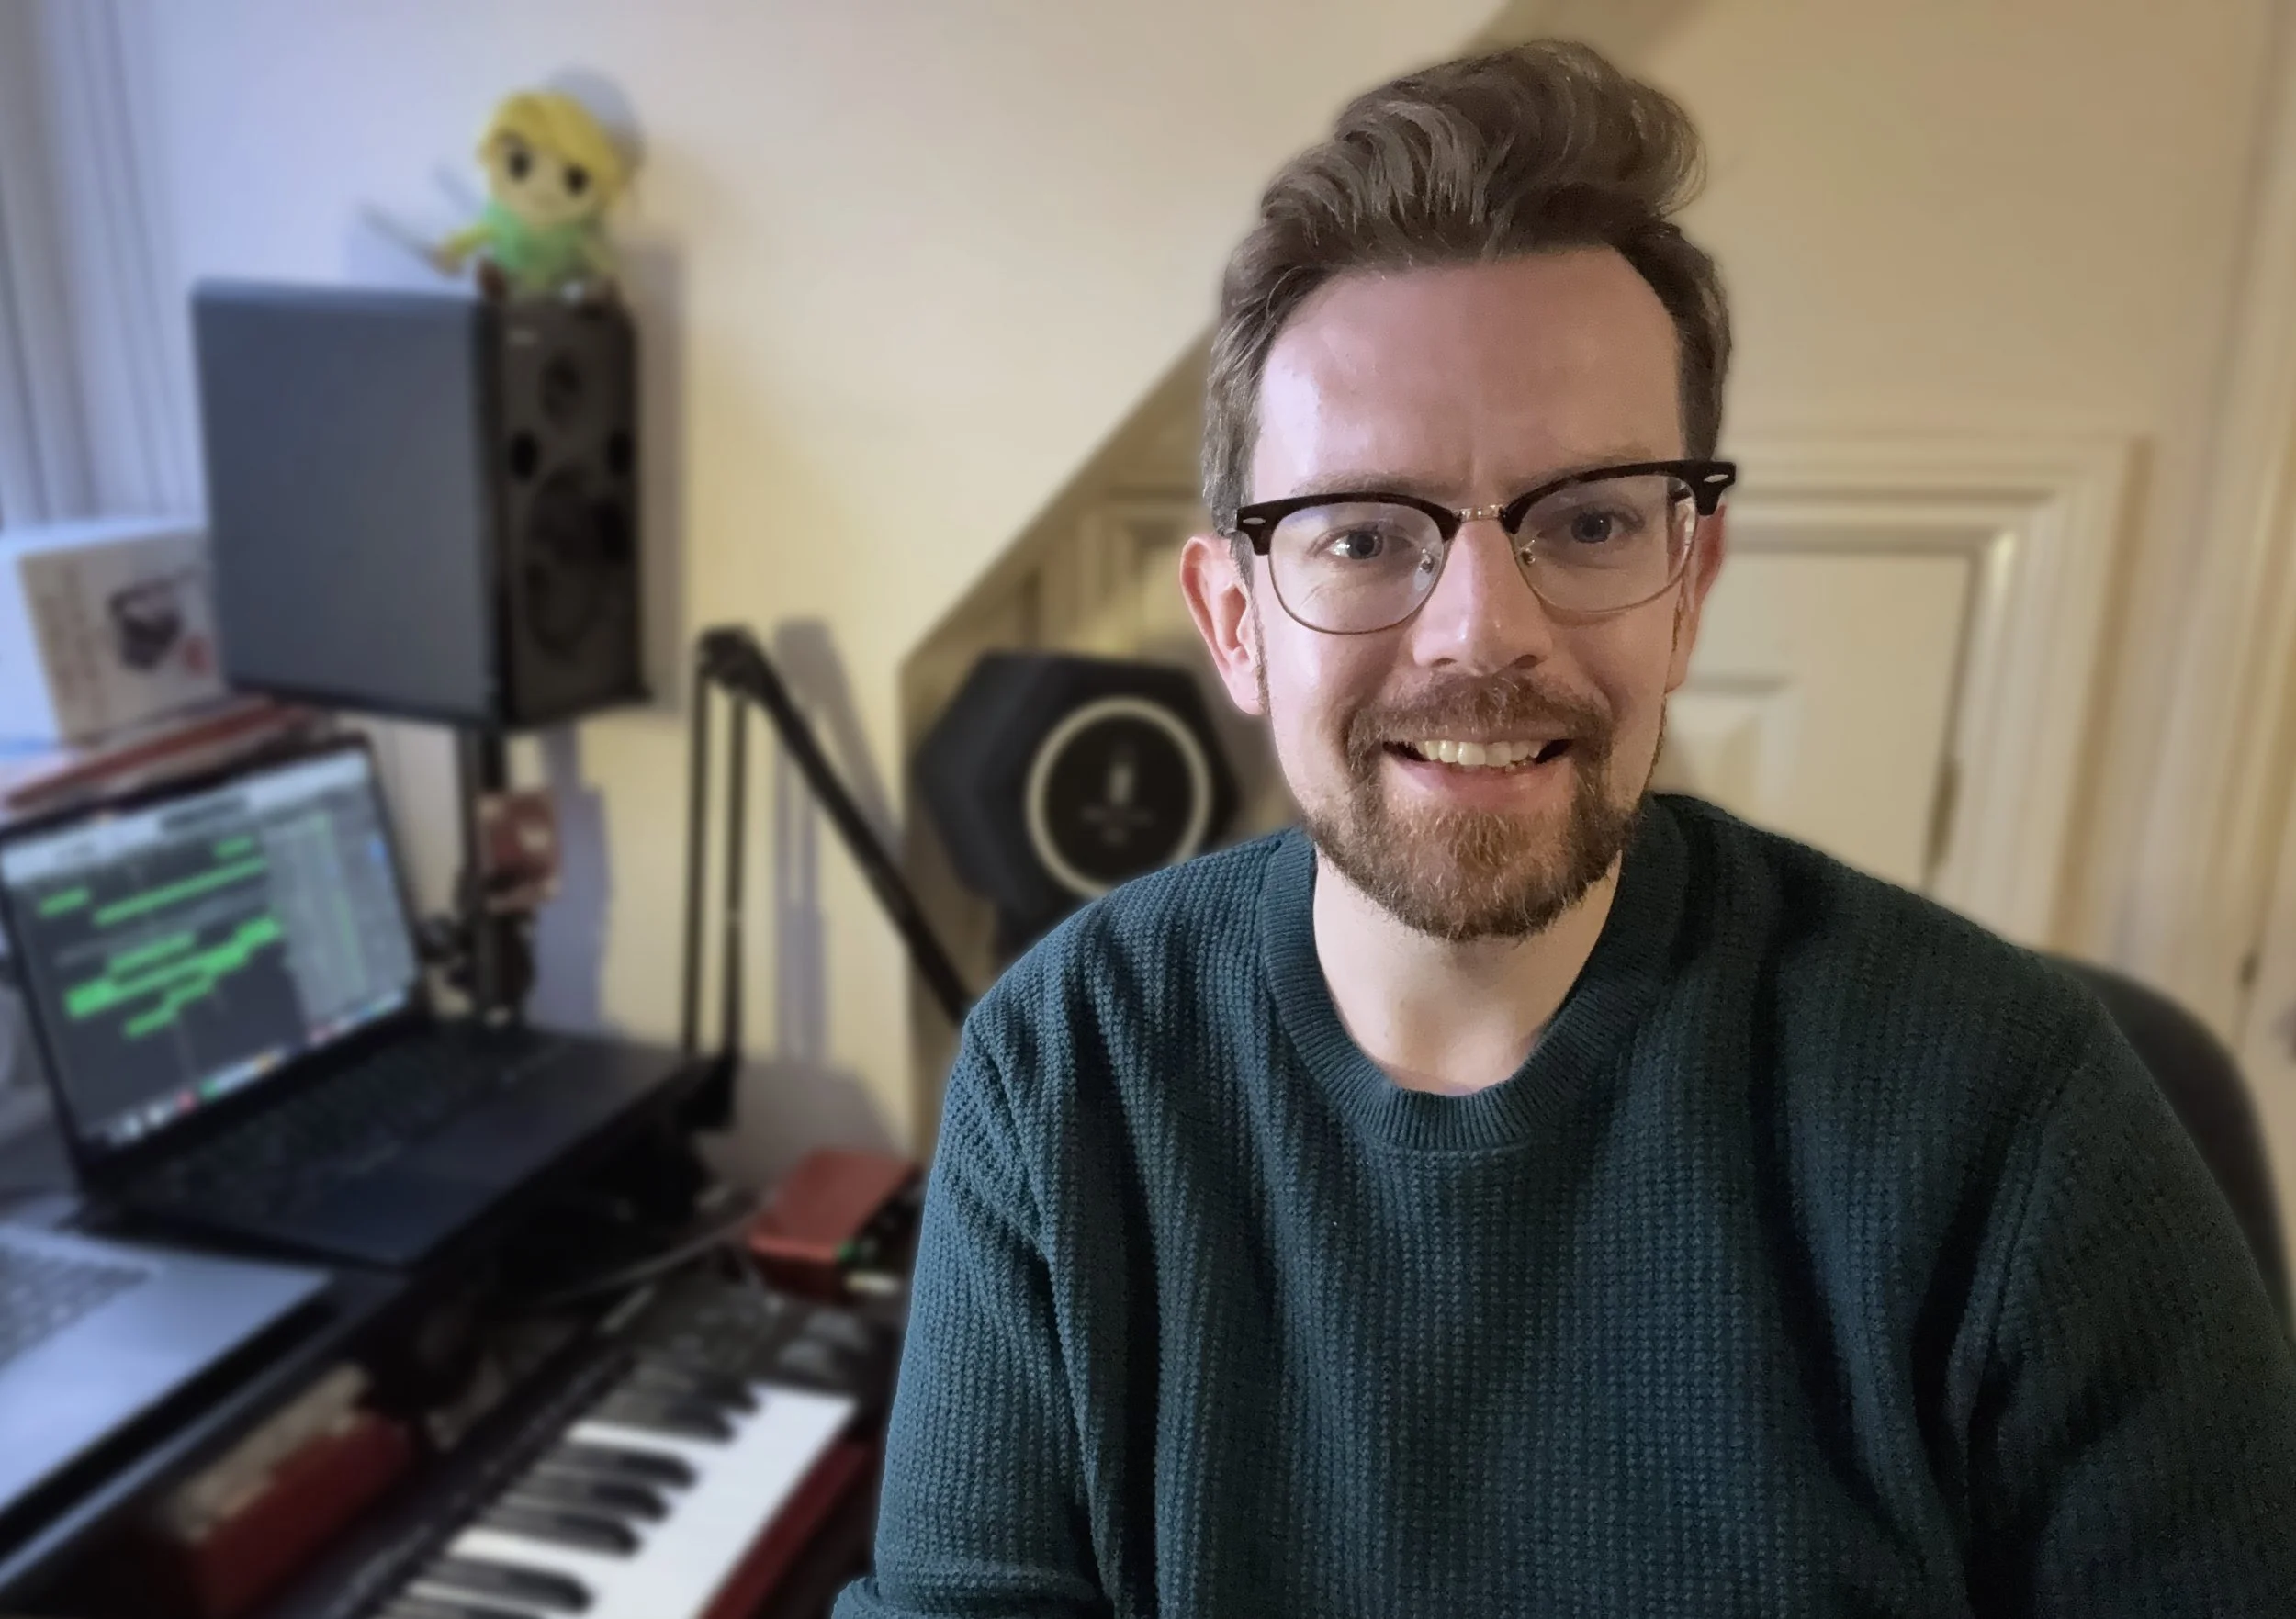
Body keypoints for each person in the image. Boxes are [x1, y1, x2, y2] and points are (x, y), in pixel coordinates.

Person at [837, 40, 2296, 1617]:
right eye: (1363, 535)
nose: (1481, 631)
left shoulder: (2015, 1115)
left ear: (1691, 578)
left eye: (1590, 521)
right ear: (1235, 618)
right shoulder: (1064, 1072)